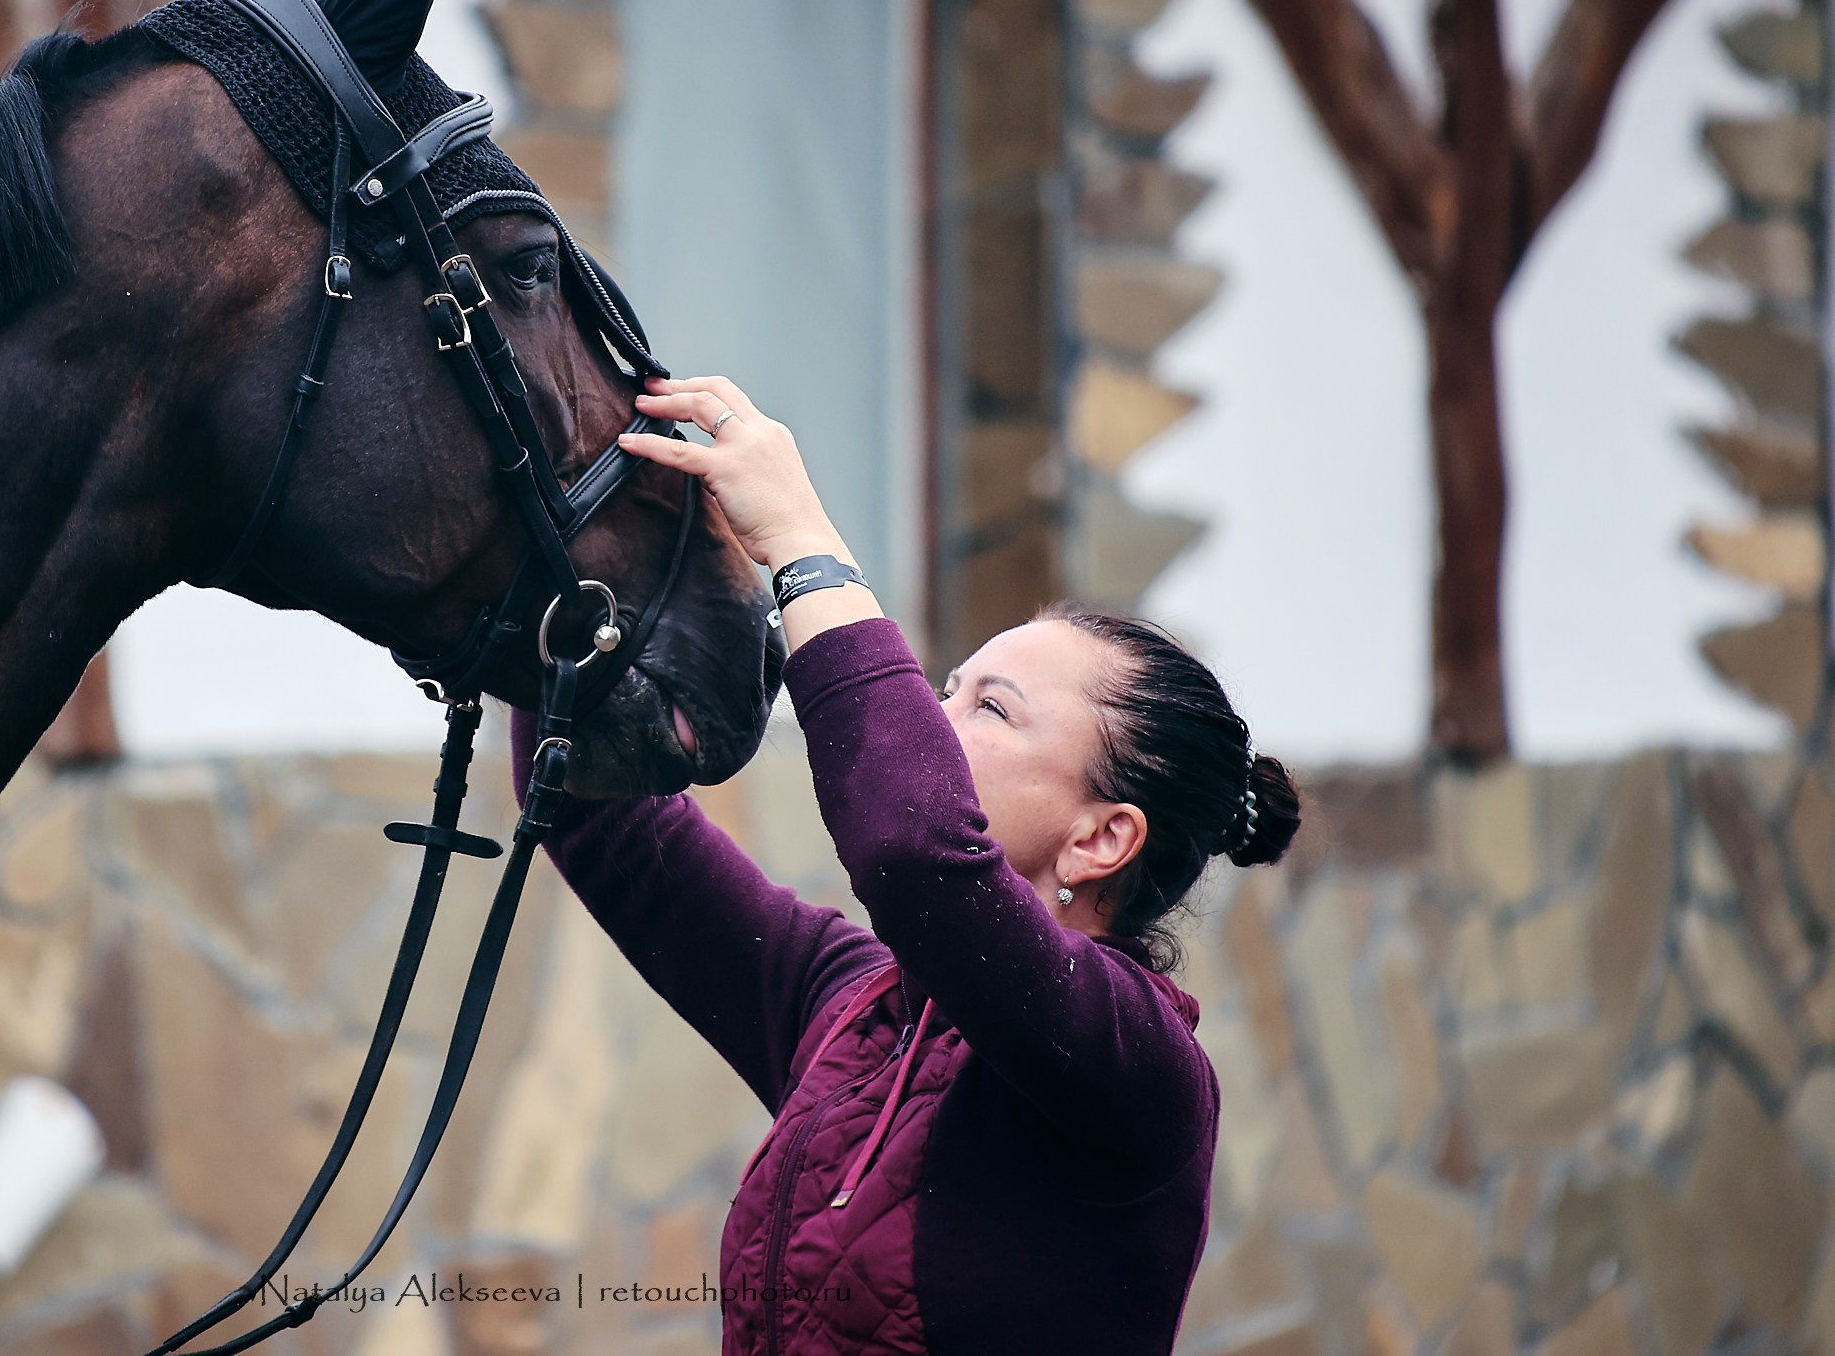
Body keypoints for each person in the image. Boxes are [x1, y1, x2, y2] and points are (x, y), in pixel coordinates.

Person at [516, 374, 1302, 1355]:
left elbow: (910, 851)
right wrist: (557, 539)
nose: (931, 719)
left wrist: (802, 539)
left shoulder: (1137, 1068)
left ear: (1102, 838)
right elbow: (609, 826)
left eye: (994, 709)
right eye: (947, 686)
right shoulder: (851, 1008)